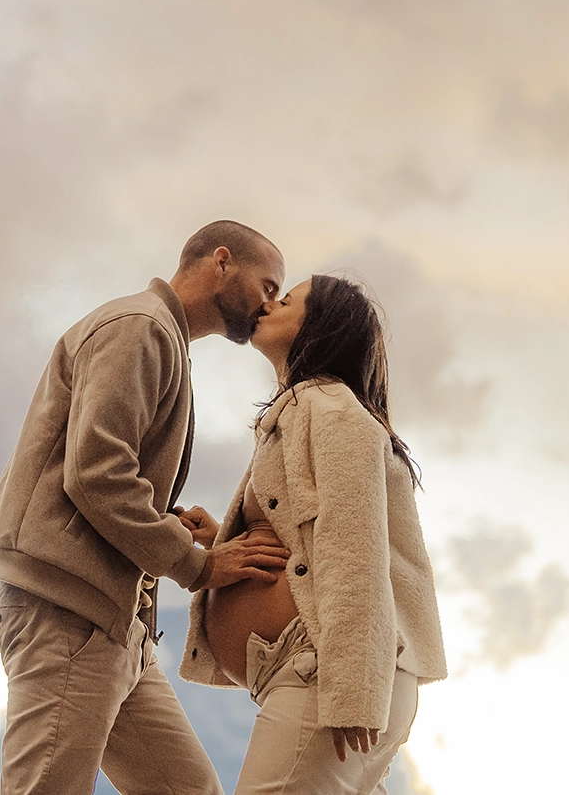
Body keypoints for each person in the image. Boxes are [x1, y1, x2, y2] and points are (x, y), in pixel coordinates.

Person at [0, 220, 293, 795]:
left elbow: (101, 474)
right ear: (221, 261)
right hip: (69, 612)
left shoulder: (157, 336)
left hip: (119, 625)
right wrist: (199, 566)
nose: (270, 305)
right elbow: (97, 475)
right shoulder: (141, 328)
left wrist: (163, 522)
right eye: (268, 286)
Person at [178, 275, 447, 795]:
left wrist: (352, 689)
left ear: (319, 326)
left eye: (288, 300)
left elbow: (354, 547)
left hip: (330, 671)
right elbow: (307, 538)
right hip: (321, 670)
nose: (268, 305)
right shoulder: (305, 409)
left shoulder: (330, 407)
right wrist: (223, 540)